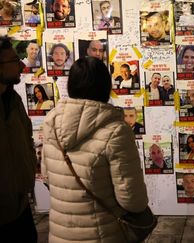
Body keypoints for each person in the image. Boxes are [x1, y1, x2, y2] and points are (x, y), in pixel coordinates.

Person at [42, 56, 150, 242]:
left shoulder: (51, 123)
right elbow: (132, 199)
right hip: (103, 233)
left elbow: (46, 177)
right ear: (106, 86)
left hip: (60, 234)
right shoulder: (116, 130)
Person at [0, 35, 38, 243]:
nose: (21, 66)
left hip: (20, 206)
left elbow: (27, 137)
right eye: (14, 61)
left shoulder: (14, 101)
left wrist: (29, 168)